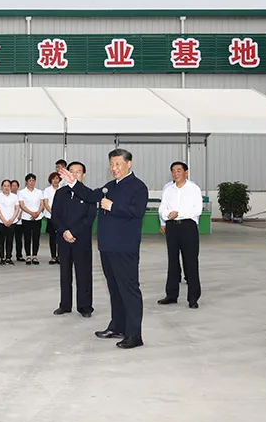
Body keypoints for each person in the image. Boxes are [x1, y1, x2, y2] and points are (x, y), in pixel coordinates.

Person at [60, 149, 148, 350]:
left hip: (124, 248)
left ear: (128, 164)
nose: (114, 168)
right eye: (111, 164)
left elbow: (137, 211)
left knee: (129, 290)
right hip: (107, 247)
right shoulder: (110, 186)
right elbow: (91, 195)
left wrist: (112, 206)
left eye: (118, 164)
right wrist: (73, 183)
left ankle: (134, 335)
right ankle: (117, 326)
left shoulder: (138, 187)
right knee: (114, 289)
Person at [51, 162, 96, 318]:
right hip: (63, 239)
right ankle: (65, 305)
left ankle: (85, 307)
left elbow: (89, 218)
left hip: (81, 239)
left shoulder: (89, 194)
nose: (75, 174)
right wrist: (64, 231)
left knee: (84, 273)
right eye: (72, 171)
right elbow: (55, 216)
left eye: (78, 172)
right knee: (65, 273)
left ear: (83, 175)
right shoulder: (60, 193)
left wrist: (73, 232)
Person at [158, 162, 203, 309]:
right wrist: (167, 215)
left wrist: (178, 214)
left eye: (178, 170)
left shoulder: (194, 189)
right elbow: (162, 208)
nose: (175, 173)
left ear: (186, 172)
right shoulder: (168, 190)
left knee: (191, 261)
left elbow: (197, 209)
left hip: (188, 226)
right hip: (172, 227)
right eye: (173, 171)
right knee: (172, 261)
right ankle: (171, 295)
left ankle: (193, 298)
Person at [19, 174, 44, 265]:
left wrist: (37, 213)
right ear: (26, 181)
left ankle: (35, 255)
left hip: (38, 218)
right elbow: (22, 205)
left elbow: (42, 204)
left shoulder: (39, 192)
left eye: (33, 180)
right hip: (26, 218)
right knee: (27, 237)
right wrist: (31, 213)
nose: (32, 182)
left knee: (36, 237)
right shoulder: (22, 192)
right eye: (30, 180)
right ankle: (28, 256)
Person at [0, 180, 19, 265]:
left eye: (8, 186)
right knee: (1, 240)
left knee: (10, 240)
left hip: (12, 222)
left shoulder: (14, 197)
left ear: (10, 187)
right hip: (1, 221)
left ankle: (8, 257)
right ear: (2, 187)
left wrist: (12, 219)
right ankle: (2, 258)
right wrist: (4, 220)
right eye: (4, 186)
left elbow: (17, 209)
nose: (6, 187)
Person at [43, 172, 61, 265]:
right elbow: (46, 203)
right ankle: (53, 257)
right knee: (52, 237)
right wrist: (53, 213)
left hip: (61, 218)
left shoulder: (63, 189)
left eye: (57, 178)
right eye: (53, 179)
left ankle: (60, 256)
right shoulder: (47, 190)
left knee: (61, 237)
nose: (55, 180)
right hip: (50, 216)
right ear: (50, 180)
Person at [10, 180, 23, 262]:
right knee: (10, 239)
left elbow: (22, 206)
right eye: (12, 186)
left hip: (19, 220)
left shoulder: (20, 195)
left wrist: (20, 215)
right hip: (10, 221)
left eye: (16, 186)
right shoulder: (8, 195)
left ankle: (19, 255)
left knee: (19, 239)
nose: (14, 187)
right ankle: (9, 256)